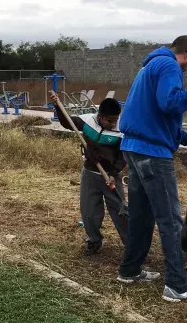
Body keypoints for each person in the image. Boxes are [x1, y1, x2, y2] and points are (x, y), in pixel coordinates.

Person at [116, 36, 187, 302]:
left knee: (141, 215)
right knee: (170, 221)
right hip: (152, 153)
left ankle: (130, 270)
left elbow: (157, 114)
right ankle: (176, 286)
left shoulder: (149, 67)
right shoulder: (170, 66)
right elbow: (171, 103)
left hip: (134, 147)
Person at [49, 91, 128, 255]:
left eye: (115, 120)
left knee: (120, 212)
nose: (113, 124)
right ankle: (94, 240)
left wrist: (114, 173)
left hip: (111, 176)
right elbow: (67, 122)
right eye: (109, 120)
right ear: (100, 116)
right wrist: (58, 106)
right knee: (89, 211)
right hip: (90, 174)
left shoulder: (122, 129)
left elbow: (123, 155)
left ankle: (132, 245)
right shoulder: (88, 121)